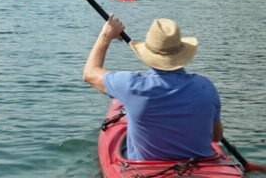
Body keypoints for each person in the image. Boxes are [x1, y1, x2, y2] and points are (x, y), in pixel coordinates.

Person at [83, 15, 222, 160]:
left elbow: (89, 73)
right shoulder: (206, 87)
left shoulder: (132, 86)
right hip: (200, 167)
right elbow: (216, 137)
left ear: (148, 53)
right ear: (182, 53)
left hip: (146, 169)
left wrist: (106, 35)